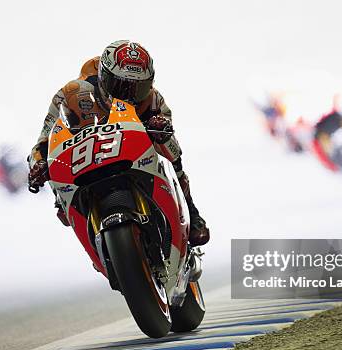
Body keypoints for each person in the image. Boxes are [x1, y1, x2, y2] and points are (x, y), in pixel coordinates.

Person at [27, 40, 210, 246]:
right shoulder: (71, 94)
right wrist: (37, 165)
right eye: (121, 87)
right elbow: (45, 140)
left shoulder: (153, 98)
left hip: (134, 155)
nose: (129, 96)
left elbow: (170, 134)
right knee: (60, 204)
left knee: (171, 151)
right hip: (87, 158)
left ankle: (192, 213)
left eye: (137, 88)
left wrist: (161, 130)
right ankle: (65, 204)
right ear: (104, 77)